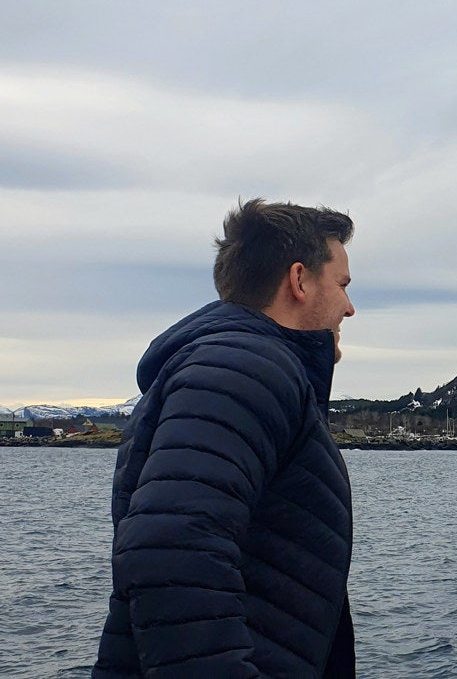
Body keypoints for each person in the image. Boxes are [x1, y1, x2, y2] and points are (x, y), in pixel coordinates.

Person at [94, 199, 357, 678]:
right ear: (299, 280)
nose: (349, 307)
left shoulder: (234, 365)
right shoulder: (242, 368)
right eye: (342, 285)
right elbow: (170, 547)